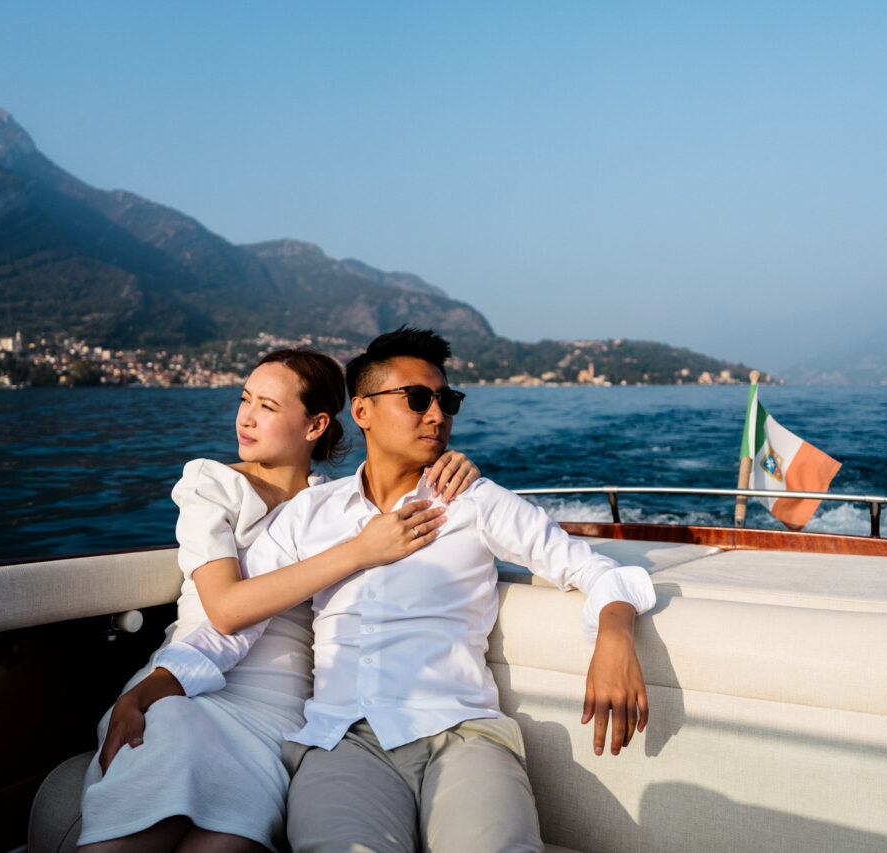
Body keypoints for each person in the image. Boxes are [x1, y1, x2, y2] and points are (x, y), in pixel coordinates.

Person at [158, 327, 657, 853]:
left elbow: (597, 570)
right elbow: (239, 618)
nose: (438, 415)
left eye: (447, 401)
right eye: (417, 400)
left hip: (463, 734)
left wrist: (616, 638)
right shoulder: (310, 514)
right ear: (362, 411)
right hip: (343, 740)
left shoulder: (473, 501)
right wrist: (158, 686)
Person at [77, 347, 481, 853]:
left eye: (267, 406)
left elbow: (401, 497)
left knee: (226, 844)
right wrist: (358, 552)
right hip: (191, 686)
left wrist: (448, 465)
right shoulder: (213, 486)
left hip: (285, 713)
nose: (246, 417)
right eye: (245, 400)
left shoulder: (333, 503)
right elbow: (224, 610)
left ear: (315, 426)